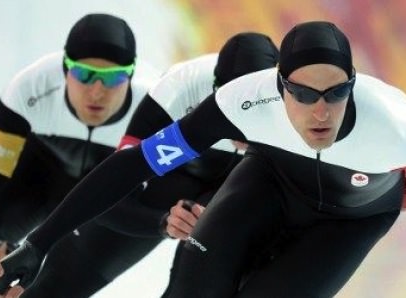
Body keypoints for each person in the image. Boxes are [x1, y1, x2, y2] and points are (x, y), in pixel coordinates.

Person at [0, 20, 406, 298]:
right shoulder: (242, 102)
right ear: (278, 88)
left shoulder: (397, 125)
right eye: (302, 93)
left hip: (351, 220)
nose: (320, 111)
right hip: (270, 183)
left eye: (335, 94)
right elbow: (134, 165)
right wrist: (41, 241)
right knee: (194, 285)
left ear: (353, 86)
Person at [19, 32, 279, 298]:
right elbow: (112, 190)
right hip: (173, 177)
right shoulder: (179, 88)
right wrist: (162, 222)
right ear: (213, 93)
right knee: (56, 287)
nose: (240, 120)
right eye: (230, 106)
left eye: (251, 107)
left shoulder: (299, 102)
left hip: (242, 181)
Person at [0, 13, 160, 298]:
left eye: (114, 78)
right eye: (84, 74)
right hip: (37, 181)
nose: (97, 91)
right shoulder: (29, 89)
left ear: (130, 75)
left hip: (106, 204)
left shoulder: (158, 105)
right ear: (65, 69)